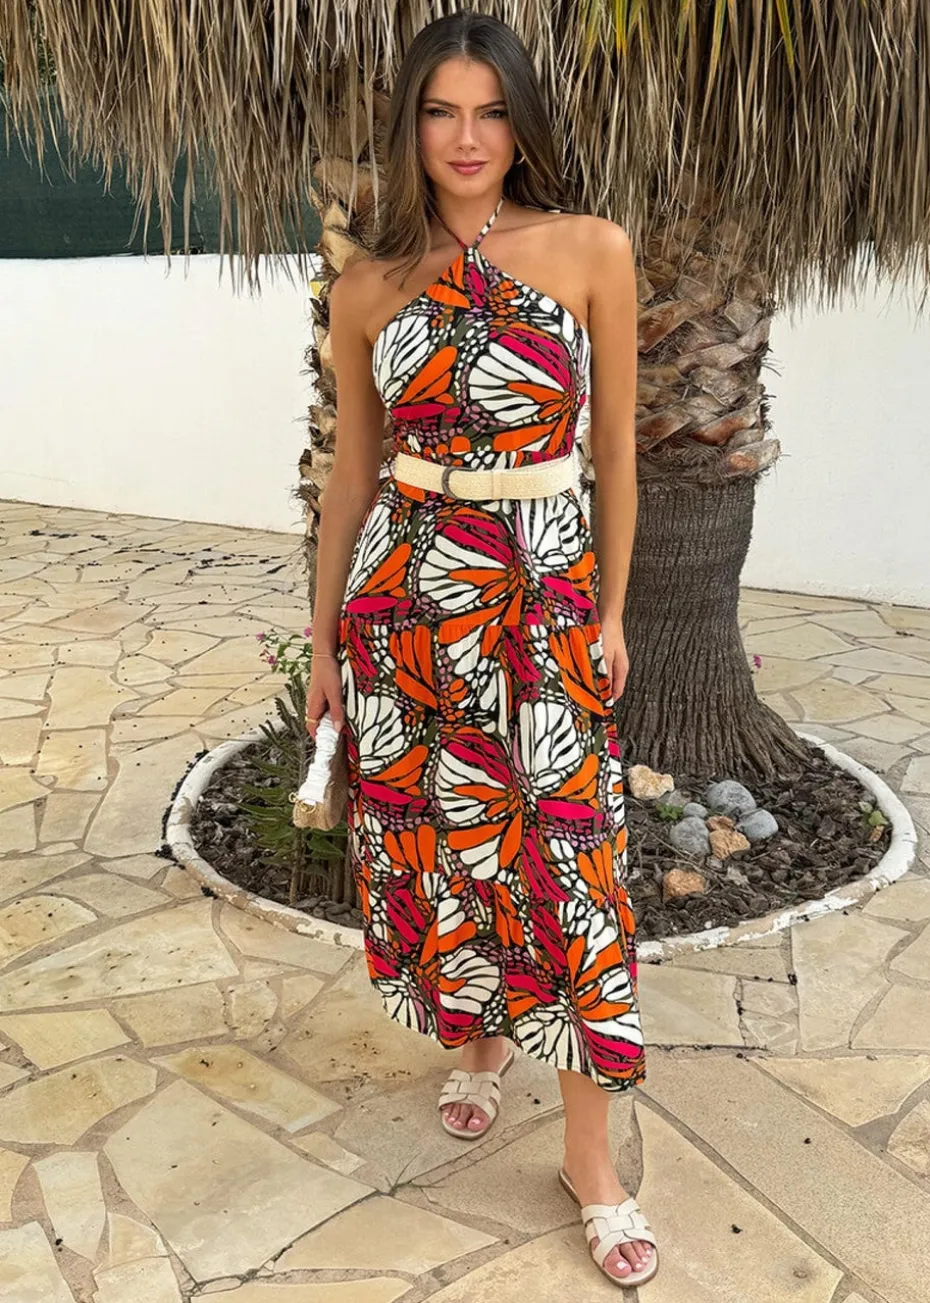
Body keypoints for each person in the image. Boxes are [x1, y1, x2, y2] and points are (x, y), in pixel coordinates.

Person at [305, 9, 653, 1289]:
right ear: (411, 125)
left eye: (491, 111)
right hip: (405, 602)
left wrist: (612, 611)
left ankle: (589, 1160)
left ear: (521, 123)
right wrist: (322, 639)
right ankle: (480, 1040)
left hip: (543, 593)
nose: (467, 138)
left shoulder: (590, 249)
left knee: (572, 862)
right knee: (451, 844)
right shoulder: (367, 285)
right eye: (442, 112)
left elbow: (616, 451)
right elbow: (351, 477)